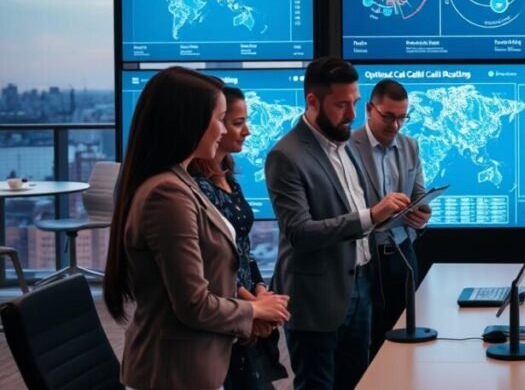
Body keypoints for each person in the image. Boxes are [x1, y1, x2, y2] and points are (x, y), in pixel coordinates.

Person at [104, 67, 291, 390]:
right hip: (173, 373)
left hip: (197, 364)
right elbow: (193, 304)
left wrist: (253, 311)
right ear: (188, 123)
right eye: (220, 119)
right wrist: (253, 309)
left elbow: (214, 270)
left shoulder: (181, 183)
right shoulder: (167, 194)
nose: (222, 131)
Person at [266, 57, 409, 390]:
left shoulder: (346, 144)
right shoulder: (286, 156)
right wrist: (371, 215)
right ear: (313, 101)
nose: (352, 114)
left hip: (360, 285)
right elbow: (299, 232)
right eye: (342, 105)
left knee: (358, 380)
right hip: (316, 298)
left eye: (356, 102)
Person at [189, 86, 289, 389]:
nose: (246, 131)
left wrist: (260, 290)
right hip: (226, 312)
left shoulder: (227, 174)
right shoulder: (194, 187)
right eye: (234, 122)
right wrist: (254, 308)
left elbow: (241, 248)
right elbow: (211, 263)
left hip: (245, 303)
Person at [349, 79, 432, 355]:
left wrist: (422, 213)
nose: (395, 126)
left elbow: (418, 193)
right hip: (366, 258)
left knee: (406, 336)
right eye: (388, 117)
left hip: (403, 252)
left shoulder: (410, 146)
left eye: (401, 118)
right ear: (370, 109)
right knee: (367, 341)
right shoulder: (348, 147)